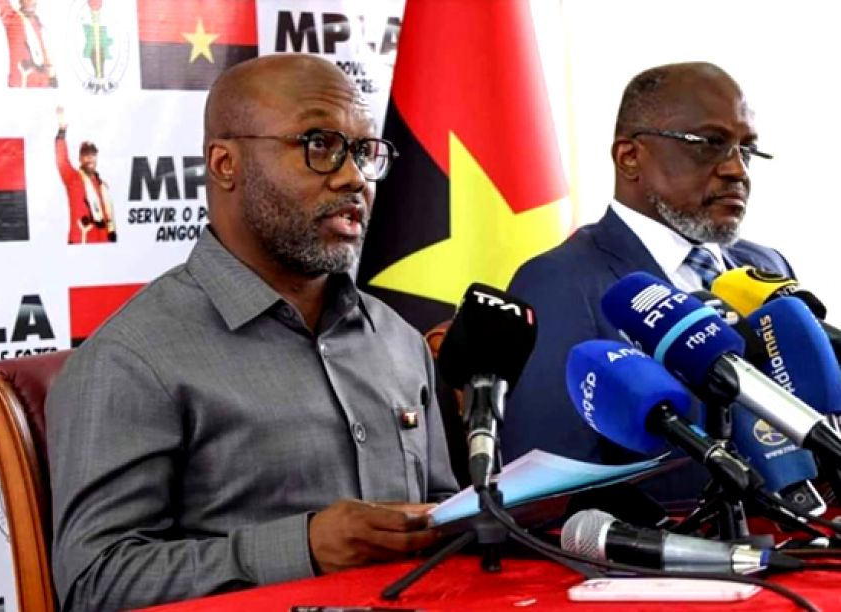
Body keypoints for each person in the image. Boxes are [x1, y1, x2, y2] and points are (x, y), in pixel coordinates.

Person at [46, 54, 458, 611]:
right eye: (319, 145)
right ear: (225, 164)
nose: (353, 177)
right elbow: (95, 585)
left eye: (364, 152)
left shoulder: (397, 339)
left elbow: (442, 514)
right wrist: (303, 548)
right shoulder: (130, 359)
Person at [501, 62, 794, 506]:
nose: (738, 170)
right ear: (630, 157)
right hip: (669, 545)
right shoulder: (559, 282)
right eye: (710, 144)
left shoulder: (766, 266)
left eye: (747, 149)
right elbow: (551, 494)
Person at [55, 106, 118, 244]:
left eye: (92, 154)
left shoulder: (102, 185)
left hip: (103, 243)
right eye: (85, 154)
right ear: (80, 159)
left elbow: (108, 217)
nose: (89, 158)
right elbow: (62, 160)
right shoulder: (73, 178)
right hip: (81, 243)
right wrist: (62, 132)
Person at [0, 0, 57, 87]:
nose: (32, 2)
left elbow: (47, 57)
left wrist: (52, 79)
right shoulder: (12, 19)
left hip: (44, 86)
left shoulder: (40, 25)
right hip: (21, 86)